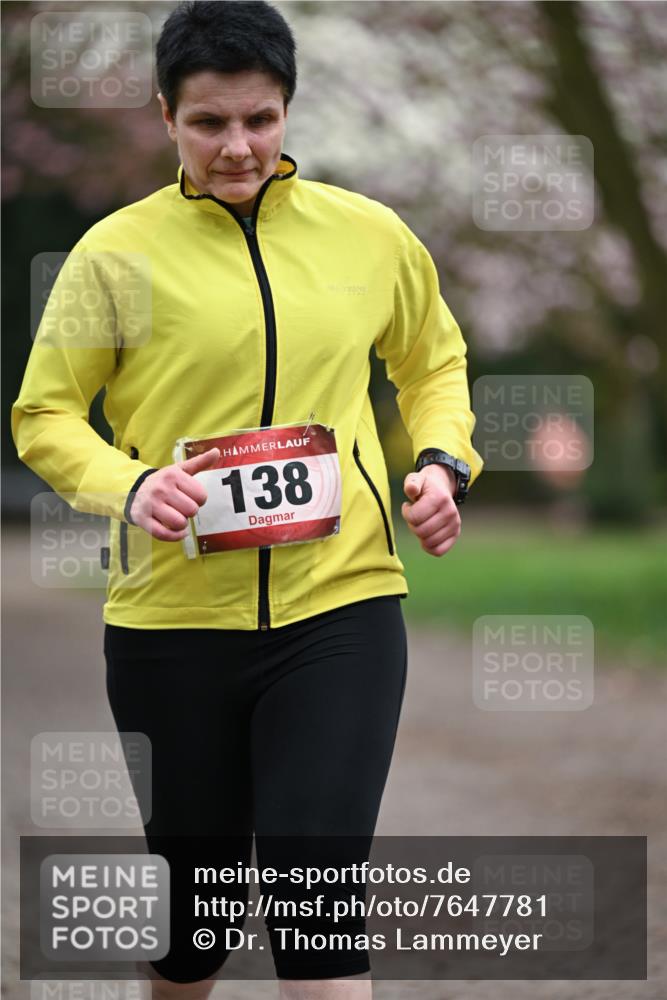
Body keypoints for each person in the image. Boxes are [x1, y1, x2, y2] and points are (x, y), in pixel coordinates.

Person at [12, 1, 483, 997]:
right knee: (197, 923)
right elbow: (45, 416)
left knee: (316, 904)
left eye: (260, 120)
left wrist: (441, 461)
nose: (238, 146)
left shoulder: (368, 235)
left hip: (340, 606)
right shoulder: (113, 254)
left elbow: (431, 358)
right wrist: (129, 483)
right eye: (210, 123)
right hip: (171, 626)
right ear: (166, 117)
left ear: (288, 111)